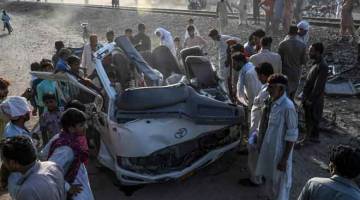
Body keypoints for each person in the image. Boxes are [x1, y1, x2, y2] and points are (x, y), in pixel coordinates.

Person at [255, 74, 298, 200]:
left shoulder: (288, 107)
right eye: (268, 87)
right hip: (269, 149)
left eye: (271, 88)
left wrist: (284, 159)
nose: (268, 90)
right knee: (269, 179)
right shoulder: (271, 102)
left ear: (281, 89)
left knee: (281, 185)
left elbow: (292, 135)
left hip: (280, 153)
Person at [40, 108, 94, 200]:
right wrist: (67, 187)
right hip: (74, 192)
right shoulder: (66, 150)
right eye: (81, 125)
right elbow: (49, 172)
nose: (86, 127)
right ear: (71, 128)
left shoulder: (61, 137)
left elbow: (42, 155)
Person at [239, 62, 274, 186]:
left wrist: (256, 131)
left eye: (259, 75)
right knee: (258, 151)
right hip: (258, 124)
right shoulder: (267, 87)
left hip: (258, 126)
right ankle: (260, 174)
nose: (258, 78)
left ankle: (255, 179)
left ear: (264, 75)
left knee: (253, 152)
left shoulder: (268, 90)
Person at [1, 136, 66, 200]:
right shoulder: (53, 166)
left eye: (3, 160)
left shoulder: (27, 190)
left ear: (13, 163)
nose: (3, 163)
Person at [299, 43, 328, 144]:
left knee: (312, 119)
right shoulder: (316, 63)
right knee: (309, 118)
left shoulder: (322, 66)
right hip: (309, 97)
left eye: (311, 51)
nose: (309, 53)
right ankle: (311, 137)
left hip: (314, 99)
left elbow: (318, 86)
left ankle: (308, 139)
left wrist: (310, 100)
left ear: (318, 52)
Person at [278, 26, 306, 100]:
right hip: (296, 71)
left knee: (285, 92)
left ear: (288, 33)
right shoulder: (302, 45)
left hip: (285, 71)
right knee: (293, 92)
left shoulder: (282, 44)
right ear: (297, 33)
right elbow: (303, 61)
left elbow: (279, 60)